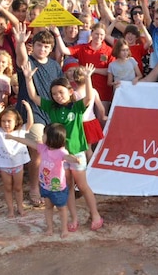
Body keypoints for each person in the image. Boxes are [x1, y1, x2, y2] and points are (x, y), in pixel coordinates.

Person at [22, 60, 104, 232]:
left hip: (76, 153)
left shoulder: (77, 107)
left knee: (82, 185)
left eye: (61, 92)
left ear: (70, 91)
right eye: (54, 94)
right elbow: (34, 97)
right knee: (68, 187)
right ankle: (74, 218)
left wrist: (88, 78)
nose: (58, 96)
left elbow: (89, 98)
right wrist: (28, 79)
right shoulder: (51, 107)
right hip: (59, 155)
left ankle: (95, 214)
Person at [14, 26, 63, 207]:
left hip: (51, 113)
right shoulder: (29, 62)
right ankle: (34, 188)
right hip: (31, 113)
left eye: (46, 46)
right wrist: (19, 43)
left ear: (51, 49)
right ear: (32, 46)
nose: (42, 49)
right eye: (39, 45)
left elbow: (60, 89)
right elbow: (21, 59)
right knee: (38, 150)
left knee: (53, 151)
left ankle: (50, 182)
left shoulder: (55, 65)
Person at [4, 123, 78, 238]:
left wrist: (75, 159)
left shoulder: (61, 152)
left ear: (52, 138)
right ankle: (50, 228)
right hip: (45, 186)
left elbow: (67, 157)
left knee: (62, 209)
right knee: (48, 207)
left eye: (44, 134)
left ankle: (64, 229)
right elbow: (28, 142)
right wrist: (13, 138)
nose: (42, 136)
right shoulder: (43, 148)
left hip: (58, 189)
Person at [0, 102, 33, 218]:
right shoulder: (0, 132)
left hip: (18, 165)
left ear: (16, 122)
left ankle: (20, 207)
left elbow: (30, 123)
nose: (6, 124)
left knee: (18, 188)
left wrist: (28, 109)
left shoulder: (21, 131)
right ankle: (10, 209)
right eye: (3, 121)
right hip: (4, 166)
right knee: (7, 188)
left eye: (9, 121)